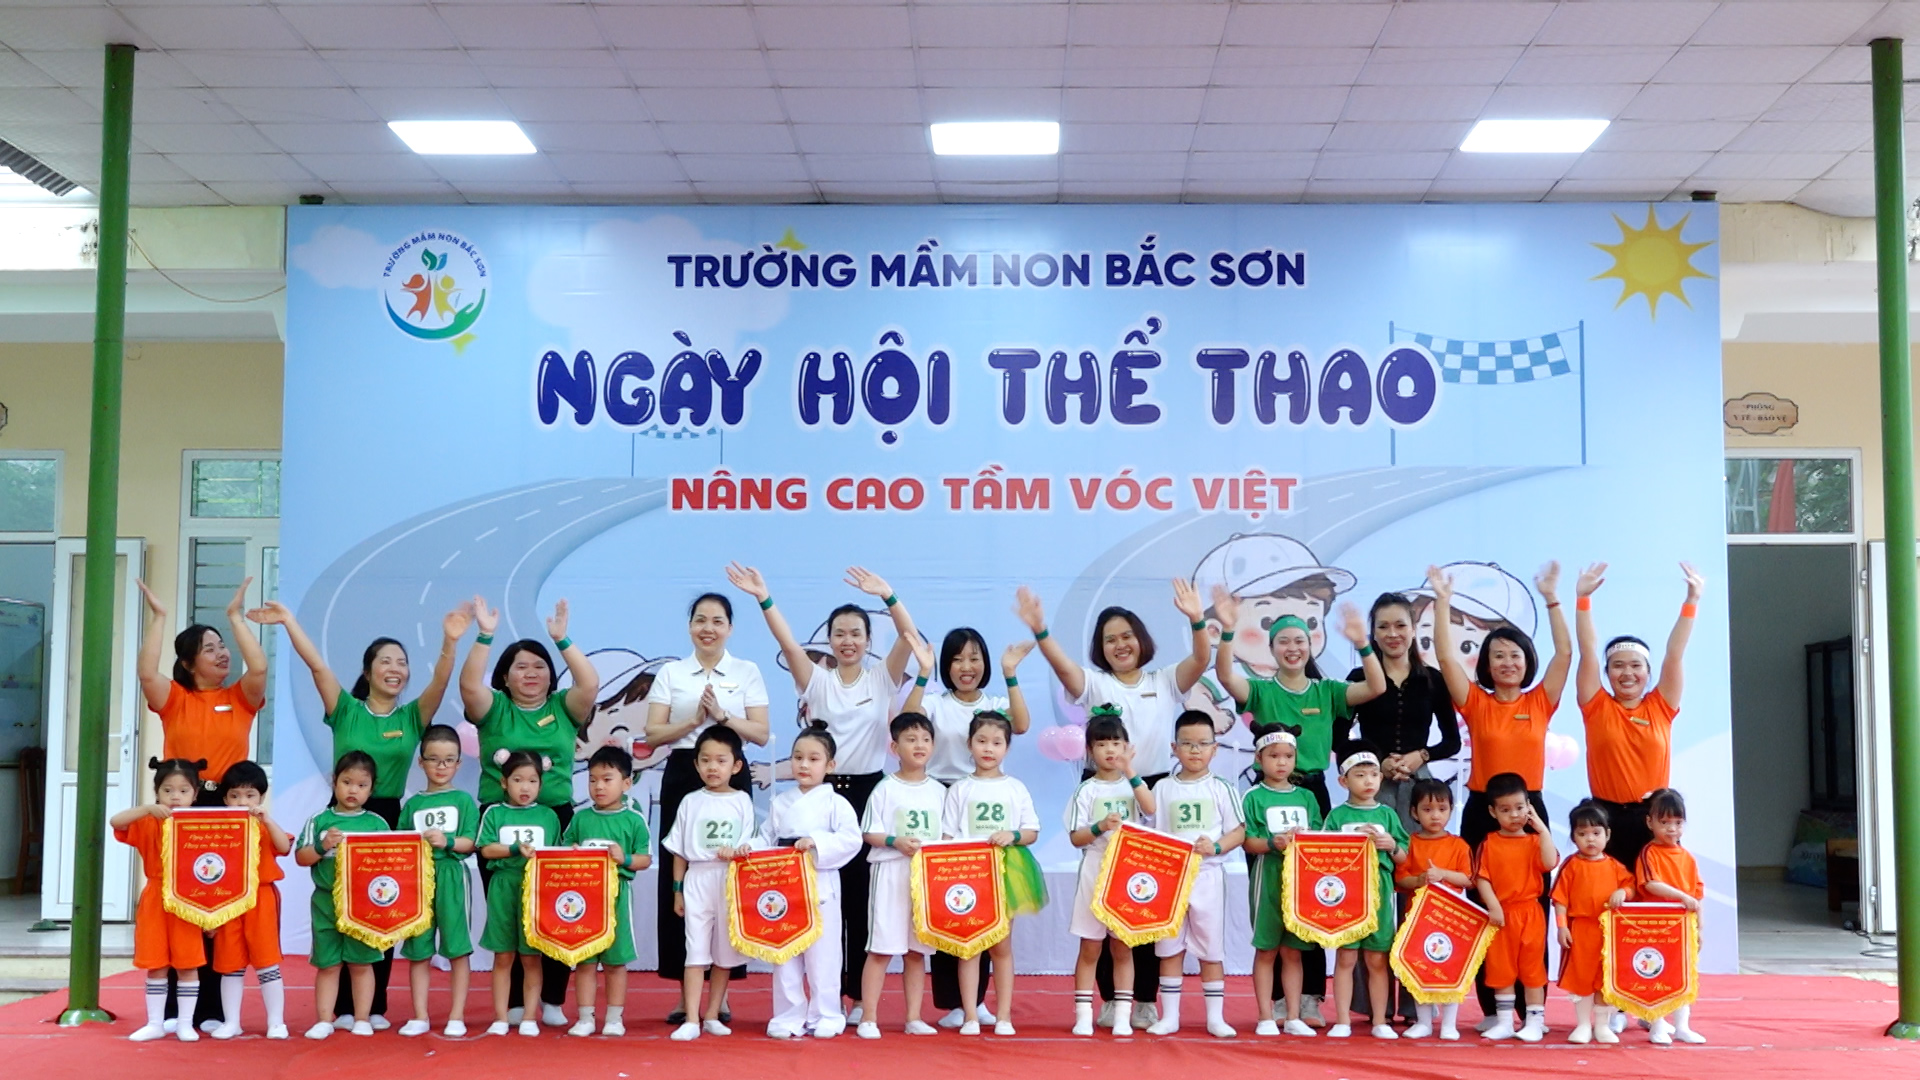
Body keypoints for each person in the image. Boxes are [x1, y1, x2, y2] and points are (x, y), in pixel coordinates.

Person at [249, 598, 467, 1025]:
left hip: (386, 817)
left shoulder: (412, 716)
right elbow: (317, 667)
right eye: (385, 661)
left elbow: (441, 682)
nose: (395, 668)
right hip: (344, 815)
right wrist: (289, 621)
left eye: (402, 662)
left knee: (382, 904)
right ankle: (340, 1007)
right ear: (367, 672)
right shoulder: (345, 709)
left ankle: (372, 1006)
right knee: (341, 903)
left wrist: (450, 641)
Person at [1016, 579, 1210, 1029]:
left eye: (1126, 636)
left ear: (1141, 639)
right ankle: (1107, 998)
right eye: (1109, 640)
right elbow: (1064, 668)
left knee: (1146, 895)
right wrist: (1041, 630)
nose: (1120, 645)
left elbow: (1201, 659)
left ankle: (1143, 999)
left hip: (1149, 790)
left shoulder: (1164, 681)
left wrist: (1197, 618)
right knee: (1103, 898)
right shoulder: (1096, 683)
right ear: (1100, 649)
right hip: (1104, 791)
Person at [729, 563, 918, 1008]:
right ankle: (812, 999)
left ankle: (856, 1000)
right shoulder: (815, 679)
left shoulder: (882, 677)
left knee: (860, 900)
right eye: (839, 633)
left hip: (868, 793)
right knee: (816, 897)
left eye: (856, 633)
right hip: (821, 794)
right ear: (830, 640)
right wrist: (763, 596)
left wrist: (888, 595)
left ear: (868, 640)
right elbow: (787, 644)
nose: (848, 640)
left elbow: (909, 636)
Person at [1210, 588, 1385, 1026]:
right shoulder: (1261, 690)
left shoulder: (1327, 690)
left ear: (1312, 646)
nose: (1293, 648)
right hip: (1269, 796)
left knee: (1316, 892)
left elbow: (1376, 686)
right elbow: (1226, 676)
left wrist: (1363, 643)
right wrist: (1228, 631)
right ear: (1272, 649)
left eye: (1300, 641)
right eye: (1284, 641)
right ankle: (1274, 1002)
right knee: (1272, 894)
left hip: (1313, 793)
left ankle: (1309, 997)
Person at [1428, 562, 1568, 1025]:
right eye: (1498, 656)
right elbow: (1446, 659)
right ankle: (1495, 1009)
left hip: (1529, 812)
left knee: (1533, 910)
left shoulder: (1540, 701)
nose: (1508, 663)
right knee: (1484, 908)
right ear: (1486, 665)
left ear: (1527, 660)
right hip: (1481, 813)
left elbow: (1565, 654)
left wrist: (1552, 598)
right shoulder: (1476, 703)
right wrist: (1442, 601)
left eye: (1515, 655)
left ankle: (1534, 1010)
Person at [134, 576, 268, 1029]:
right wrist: (159, 617)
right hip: (183, 812)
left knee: (222, 907)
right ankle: (176, 1010)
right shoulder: (175, 700)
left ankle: (211, 1009)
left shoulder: (240, 698)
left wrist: (236, 618)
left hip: (229, 812)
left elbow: (259, 668)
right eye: (210, 649)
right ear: (189, 663)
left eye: (222, 646)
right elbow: (147, 674)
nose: (222, 653)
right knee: (181, 905)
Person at [460, 595, 598, 1027]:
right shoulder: (494, 708)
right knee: (509, 911)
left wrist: (562, 640)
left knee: (557, 908)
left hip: (554, 817)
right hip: (500, 819)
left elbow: (590, 684)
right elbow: (469, 686)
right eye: (521, 667)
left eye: (539, 666)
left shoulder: (563, 707)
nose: (532, 673)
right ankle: (517, 1001)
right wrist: (485, 635)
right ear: (504, 676)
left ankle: (552, 999)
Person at [641, 592, 770, 1021]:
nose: (708, 628)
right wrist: (694, 721)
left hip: (731, 774)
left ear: (730, 628)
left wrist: (723, 715)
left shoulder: (747, 671)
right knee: (681, 874)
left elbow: (761, 734)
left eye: (717, 621)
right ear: (690, 626)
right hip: (684, 770)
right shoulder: (672, 672)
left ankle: (720, 996)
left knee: (730, 877)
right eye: (700, 620)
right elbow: (652, 734)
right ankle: (686, 995)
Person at [901, 625, 1033, 1026]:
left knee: (986, 910)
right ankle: (954, 1003)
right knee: (951, 903)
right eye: (957, 659)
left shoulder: (994, 704)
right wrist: (923, 672)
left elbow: (1021, 724)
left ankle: (977, 1001)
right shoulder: (936, 703)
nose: (966, 667)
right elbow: (908, 718)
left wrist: (1011, 673)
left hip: (987, 803)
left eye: (974, 658)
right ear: (947, 665)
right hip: (944, 797)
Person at [1574, 562, 1704, 870]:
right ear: (1607, 672)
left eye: (1636, 665)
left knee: (1654, 894)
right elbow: (1588, 651)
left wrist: (1692, 601)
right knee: (1607, 894)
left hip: (1653, 819)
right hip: (1605, 820)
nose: (1627, 673)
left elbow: (1675, 654)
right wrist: (1583, 600)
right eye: (1618, 665)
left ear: (1648, 671)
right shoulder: (1595, 705)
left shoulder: (1661, 705)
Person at [756, 723, 864, 1039]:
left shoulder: (836, 803)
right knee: (785, 952)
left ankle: (826, 1013)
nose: (804, 765)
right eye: (798, 757)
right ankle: (788, 1015)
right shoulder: (780, 803)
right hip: (784, 887)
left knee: (824, 956)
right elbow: (767, 838)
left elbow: (851, 839)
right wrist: (750, 847)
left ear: (830, 765)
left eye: (813, 759)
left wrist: (816, 841)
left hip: (820, 884)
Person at [941, 711, 1041, 1036]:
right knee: (970, 945)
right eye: (981, 741)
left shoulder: (1016, 788)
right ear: (969, 744)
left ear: (1007, 748)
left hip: (1006, 873)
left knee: (1001, 946)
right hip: (969, 875)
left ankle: (1004, 1016)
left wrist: (1012, 835)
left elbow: (1031, 831)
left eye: (997, 742)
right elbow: (947, 836)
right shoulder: (959, 789)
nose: (988, 748)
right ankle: (970, 1015)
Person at [1147, 710, 1244, 1038]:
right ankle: (1170, 1016)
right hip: (1170, 880)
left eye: (1203, 744)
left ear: (1215, 748)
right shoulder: (1162, 788)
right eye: (1187, 743)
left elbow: (1238, 831)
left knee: (1210, 947)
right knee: (1169, 947)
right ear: (1174, 748)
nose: (1195, 750)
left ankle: (1215, 1018)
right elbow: (1149, 830)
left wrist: (1215, 847)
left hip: (1207, 877)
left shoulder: (1222, 788)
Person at [1065, 708, 1158, 1037]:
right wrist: (1099, 826)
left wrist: (1131, 771)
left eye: (1116, 743)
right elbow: (1076, 837)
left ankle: (1122, 1014)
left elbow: (1150, 809)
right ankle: (1083, 1014)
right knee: (1091, 946)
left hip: (1127, 871)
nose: (1109, 750)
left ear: (1126, 746)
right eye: (1102, 744)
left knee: (1122, 946)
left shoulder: (1133, 784)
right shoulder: (1085, 790)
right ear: (1090, 750)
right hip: (1095, 867)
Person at [663, 726, 758, 1042]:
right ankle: (691, 1018)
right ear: (696, 764)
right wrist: (677, 891)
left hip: (730, 880)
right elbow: (678, 850)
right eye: (705, 761)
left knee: (724, 953)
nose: (712, 767)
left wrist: (739, 851)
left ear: (736, 765)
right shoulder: (690, 801)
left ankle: (713, 1014)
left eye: (721, 760)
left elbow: (748, 843)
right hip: (698, 878)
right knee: (695, 950)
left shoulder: (742, 801)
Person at [856, 711, 947, 1039]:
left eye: (925, 739)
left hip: (924, 878)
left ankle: (913, 1017)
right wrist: (895, 841)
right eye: (910, 739)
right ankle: (868, 1017)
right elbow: (869, 833)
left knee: (916, 951)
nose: (919, 745)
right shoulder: (884, 788)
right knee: (880, 949)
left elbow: (948, 836)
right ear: (894, 747)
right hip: (890, 873)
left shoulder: (939, 791)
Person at [1339, 593, 1460, 833]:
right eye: (1383, 627)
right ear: (1373, 633)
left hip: (1418, 786)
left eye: (1400, 625)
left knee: (1416, 850)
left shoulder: (1432, 679)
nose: (1392, 634)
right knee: (1373, 847)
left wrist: (1422, 755)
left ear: (1413, 630)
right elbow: (1339, 739)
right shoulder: (1358, 678)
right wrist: (1377, 763)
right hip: (1371, 784)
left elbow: (1452, 742)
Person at [112, 757, 212, 1042]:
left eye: (183, 790)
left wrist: (210, 913)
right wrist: (147, 809)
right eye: (167, 790)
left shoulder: (202, 824)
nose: (175, 797)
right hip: (156, 897)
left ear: (195, 794)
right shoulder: (147, 821)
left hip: (189, 899)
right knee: (156, 964)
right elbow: (116, 821)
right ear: (157, 792)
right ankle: (155, 1023)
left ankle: (185, 1024)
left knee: (188, 964)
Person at [295, 751, 390, 1039]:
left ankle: (362, 1018)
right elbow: (301, 857)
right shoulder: (319, 820)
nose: (353, 790)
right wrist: (323, 845)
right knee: (328, 964)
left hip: (363, 905)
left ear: (372, 788)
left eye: (362, 785)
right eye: (347, 782)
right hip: (326, 904)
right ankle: (325, 1020)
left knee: (362, 963)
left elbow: (391, 865)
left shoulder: (377, 824)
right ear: (334, 781)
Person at [561, 745, 653, 1038]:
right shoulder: (580, 818)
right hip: (584, 901)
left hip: (617, 898)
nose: (598, 786)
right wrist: (572, 853)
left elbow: (645, 859)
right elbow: (564, 849)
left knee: (615, 961)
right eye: (592, 779)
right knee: (585, 960)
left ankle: (614, 1018)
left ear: (626, 783)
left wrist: (624, 858)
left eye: (607, 779)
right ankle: (585, 1017)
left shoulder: (634, 820)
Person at [1322, 744, 1410, 1040]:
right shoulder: (1337, 817)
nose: (1368, 781)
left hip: (1379, 893)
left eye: (1373, 774)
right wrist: (1348, 843)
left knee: (1377, 960)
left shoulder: (1387, 814)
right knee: (1346, 958)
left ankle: (1380, 1020)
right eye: (1360, 776)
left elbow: (1403, 856)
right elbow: (1323, 857)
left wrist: (1391, 845)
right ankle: (1342, 1020)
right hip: (1346, 894)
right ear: (1343, 781)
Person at [398, 724, 479, 1038]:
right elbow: (401, 844)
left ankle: (456, 1015)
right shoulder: (413, 804)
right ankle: (419, 1014)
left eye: (448, 760)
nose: (441, 766)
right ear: (421, 762)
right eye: (433, 759)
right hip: (419, 880)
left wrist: (447, 841)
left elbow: (471, 842)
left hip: (452, 877)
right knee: (418, 949)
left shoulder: (463, 800)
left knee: (457, 948)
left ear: (459, 763)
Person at [1240, 724, 1321, 1037]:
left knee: (1293, 951)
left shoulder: (1307, 797)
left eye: (1288, 756)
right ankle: (1265, 1015)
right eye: (1274, 756)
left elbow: (1318, 836)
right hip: (1268, 877)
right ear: (1259, 759)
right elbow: (1248, 841)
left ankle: (1294, 1015)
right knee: (1267, 949)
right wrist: (1273, 843)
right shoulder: (1253, 797)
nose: (1282, 762)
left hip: (1300, 880)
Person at [476, 751, 563, 1037]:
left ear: (541, 784)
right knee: (503, 956)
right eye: (517, 780)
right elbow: (486, 849)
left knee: (531, 957)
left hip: (536, 891)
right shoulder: (494, 813)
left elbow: (556, 855)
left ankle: (529, 1016)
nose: (525, 787)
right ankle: (501, 1017)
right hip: (503, 888)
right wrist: (515, 849)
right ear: (504, 782)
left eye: (532, 781)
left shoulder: (548, 816)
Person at [1473, 771, 1558, 1043]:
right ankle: (1505, 1022)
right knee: (1502, 969)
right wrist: (1493, 906)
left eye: (1520, 808)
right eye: (1505, 810)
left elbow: (1549, 863)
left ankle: (1534, 1022)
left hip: (1530, 913)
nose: (1514, 815)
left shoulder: (1535, 841)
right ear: (1493, 811)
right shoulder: (1489, 843)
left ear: (1529, 807)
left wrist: (1542, 829)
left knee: (1532, 969)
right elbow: (1482, 878)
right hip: (1501, 914)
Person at [210, 761, 292, 1040]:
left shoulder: (265, 826)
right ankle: (232, 1022)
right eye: (234, 796)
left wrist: (267, 820)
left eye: (250, 795)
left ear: (261, 797)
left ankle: (276, 1022)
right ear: (225, 799)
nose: (242, 802)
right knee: (230, 964)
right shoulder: (218, 829)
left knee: (266, 961)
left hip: (261, 898)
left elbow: (284, 847)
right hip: (227, 901)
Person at [1394, 778, 1472, 1041]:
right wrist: (1420, 879)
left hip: (1450, 919)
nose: (1435, 815)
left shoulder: (1459, 845)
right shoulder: (1410, 843)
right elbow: (1401, 880)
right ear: (1414, 812)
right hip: (1418, 918)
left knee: (1451, 968)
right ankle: (1423, 1021)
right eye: (1427, 809)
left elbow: (1468, 879)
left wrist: (1443, 874)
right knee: (1419, 967)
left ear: (1451, 809)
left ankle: (1449, 1023)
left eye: (1442, 808)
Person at [1552, 800, 1634, 1045]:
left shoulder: (1615, 866)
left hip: (1608, 932)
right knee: (1581, 978)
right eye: (1582, 834)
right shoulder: (1571, 865)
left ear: (1607, 834)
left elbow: (1630, 886)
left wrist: (1623, 892)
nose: (1590, 839)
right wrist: (1562, 926)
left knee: (1604, 977)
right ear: (1573, 837)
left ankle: (1602, 1025)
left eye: (1596, 833)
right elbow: (1560, 899)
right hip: (1580, 931)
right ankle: (1582, 1025)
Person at [1635, 788, 1706, 1045]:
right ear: (1650, 822)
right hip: (1656, 925)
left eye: (1677, 822)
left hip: (1682, 927)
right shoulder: (1649, 853)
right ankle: (1656, 1024)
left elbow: (1697, 896)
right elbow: (1651, 883)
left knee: (1682, 975)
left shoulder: (1687, 857)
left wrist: (1699, 929)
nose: (1672, 829)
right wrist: (1681, 897)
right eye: (1664, 822)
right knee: (1656, 974)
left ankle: (1682, 1026)